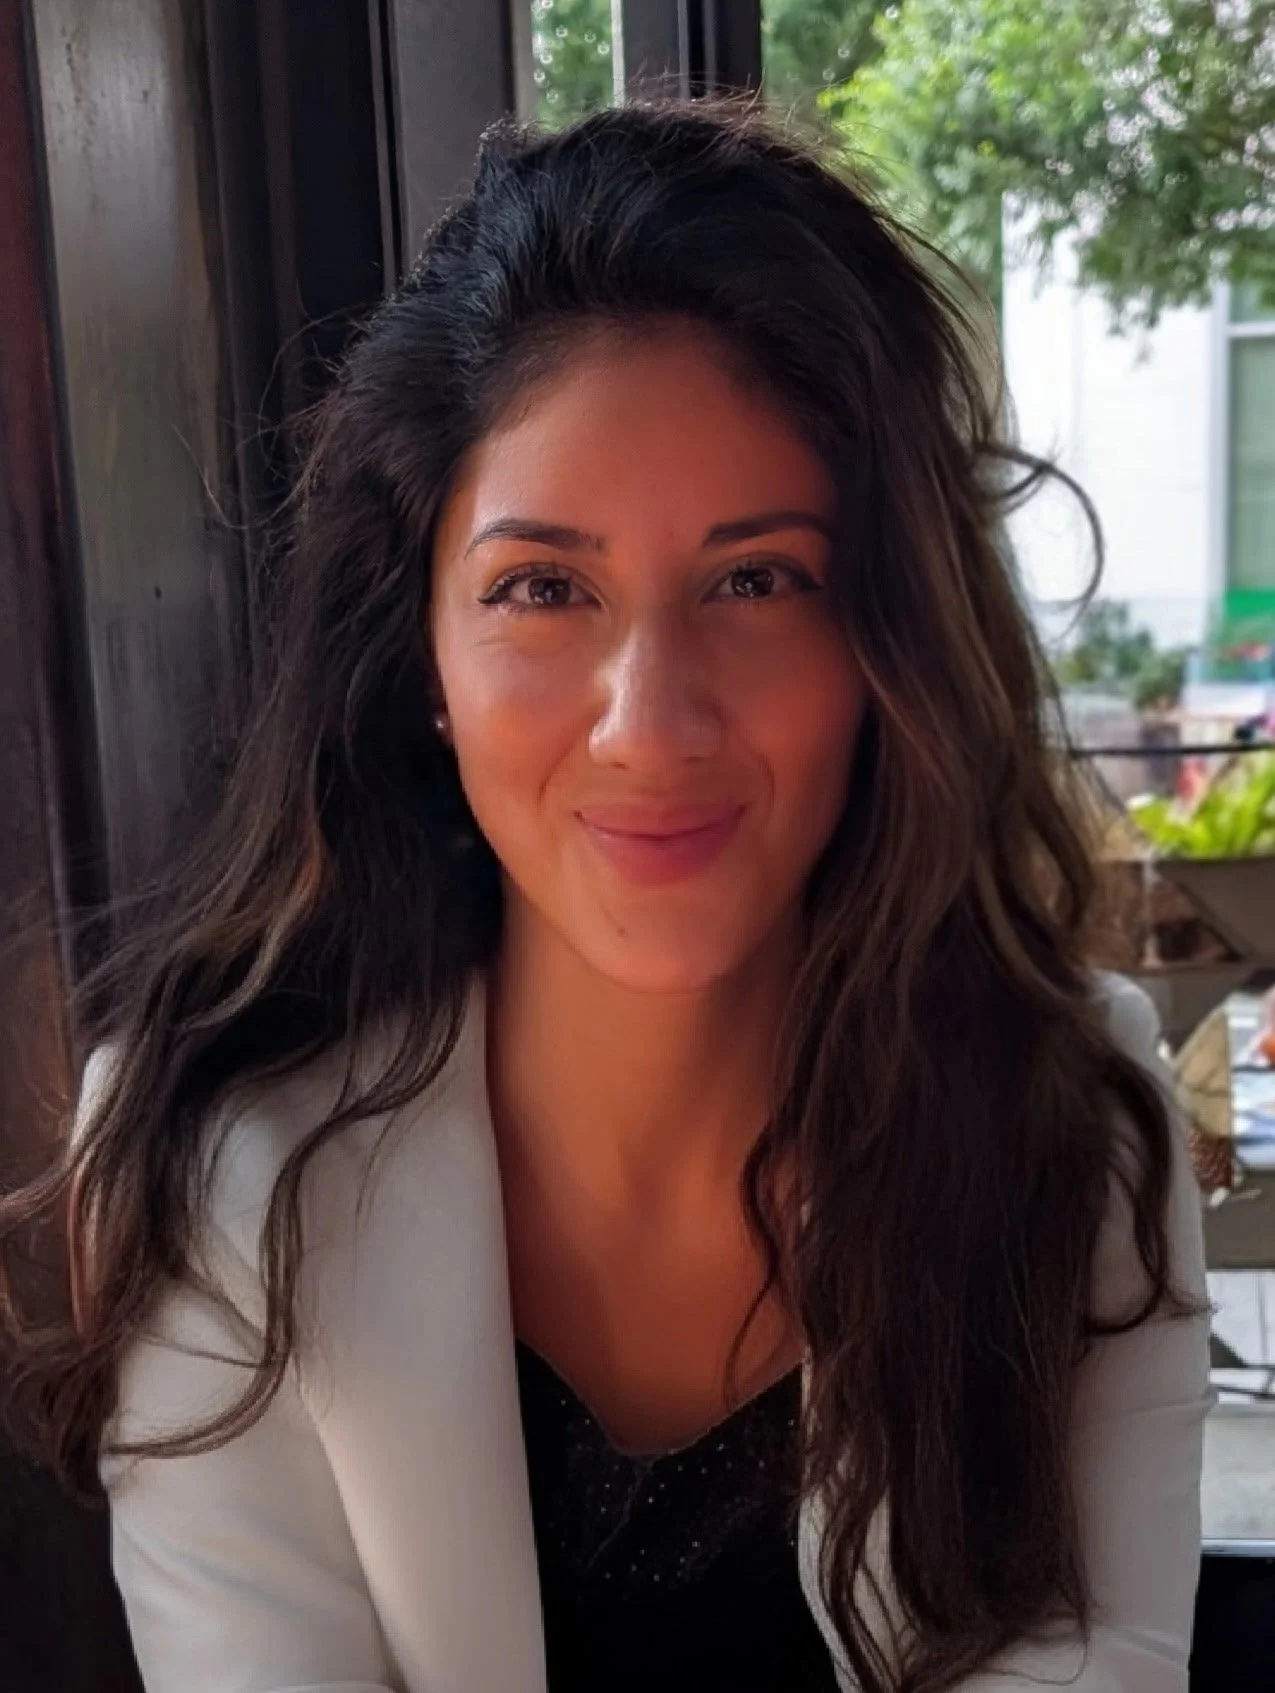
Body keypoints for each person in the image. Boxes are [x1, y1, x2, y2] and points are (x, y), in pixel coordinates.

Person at [0, 101, 1210, 1693]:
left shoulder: (1068, 1123)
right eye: (540, 589)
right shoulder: (215, 1171)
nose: (650, 721)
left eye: (756, 579)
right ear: (418, 659)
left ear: (886, 649)